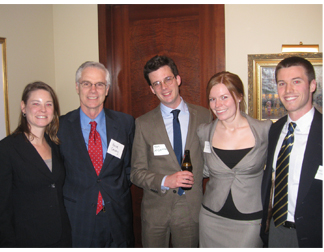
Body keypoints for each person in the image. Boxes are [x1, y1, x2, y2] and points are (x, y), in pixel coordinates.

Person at [130, 55, 212, 248]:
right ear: (151, 89)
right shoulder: (143, 123)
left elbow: (210, 159)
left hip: (190, 209)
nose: (164, 87)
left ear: (178, 79)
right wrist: (166, 180)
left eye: (167, 79)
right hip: (156, 212)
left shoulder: (204, 115)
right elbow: (136, 173)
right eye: (156, 83)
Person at [57, 61, 135, 247]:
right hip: (78, 218)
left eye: (99, 84)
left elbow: (130, 166)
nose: (93, 90)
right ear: (77, 87)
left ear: (107, 89)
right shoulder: (59, 127)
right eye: (86, 83)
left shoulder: (125, 123)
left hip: (117, 217)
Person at [197, 71, 272, 247]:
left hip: (250, 221)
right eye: (212, 99)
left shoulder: (264, 130)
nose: (218, 105)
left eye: (224, 97)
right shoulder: (204, 132)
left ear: (239, 96)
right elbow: (203, 168)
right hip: (211, 217)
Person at [0, 82, 72, 247]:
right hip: (27, 240)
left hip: (62, 237)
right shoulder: (6, 149)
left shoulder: (56, 145)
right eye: (36, 104)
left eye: (48, 104)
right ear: (23, 107)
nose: (43, 109)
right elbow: (2, 209)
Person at [260, 56, 322, 248]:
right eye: (281, 83)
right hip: (275, 231)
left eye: (296, 81)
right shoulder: (275, 130)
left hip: (314, 236)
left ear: (312, 85)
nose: (288, 91)